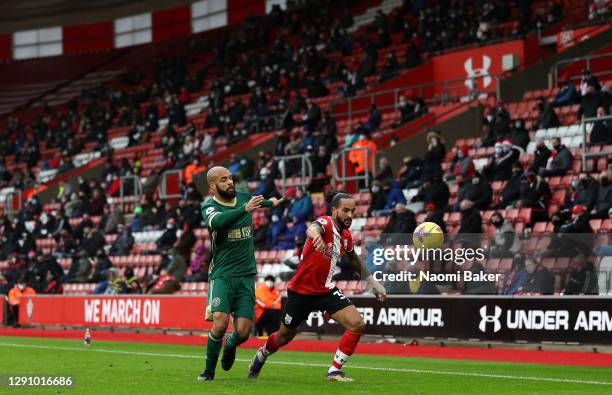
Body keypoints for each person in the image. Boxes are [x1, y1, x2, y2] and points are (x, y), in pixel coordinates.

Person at [247, 193, 386, 382]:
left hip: (325, 290)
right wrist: (316, 236)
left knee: (357, 324)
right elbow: (313, 228)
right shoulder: (326, 223)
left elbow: (353, 258)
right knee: (283, 337)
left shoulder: (345, 236)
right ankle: (262, 354)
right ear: (334, 210)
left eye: (352, 211)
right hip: (301, 292)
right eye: (345, 210)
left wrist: (372, 281)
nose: (350, 215)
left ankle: (334, 370)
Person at [198, 166, 283, 381]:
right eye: (223, 179)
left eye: (230, 178)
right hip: (222, 274)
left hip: (246, 275)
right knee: (219, 323)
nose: (229, 183)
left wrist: (272, 202)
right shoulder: (210, 206)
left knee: (244, 331)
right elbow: (217, 223)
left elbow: (259, 202)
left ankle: (231, 344)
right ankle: (208, 371)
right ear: (212, 186)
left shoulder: (243, 197)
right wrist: (244, 210)